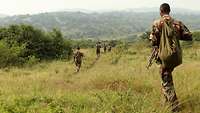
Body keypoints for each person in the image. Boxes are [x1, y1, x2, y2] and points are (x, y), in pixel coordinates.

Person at [149, 3, 192, 112]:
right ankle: (166, 104)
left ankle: (175, 107)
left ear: (160, 11)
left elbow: (153, 41)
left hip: (164, 57)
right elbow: (188, 36)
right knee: (165, 77)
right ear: (169, 11)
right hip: (175, 56)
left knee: (166, 81)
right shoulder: (177, 23)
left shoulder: (157, 23)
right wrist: (174, 36)